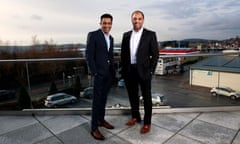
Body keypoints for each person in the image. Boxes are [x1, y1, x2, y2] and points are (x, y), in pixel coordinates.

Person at [121, 10, 159, 134]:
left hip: (144, 72)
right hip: (129, 71)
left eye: (139, 18)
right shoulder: (126, 35)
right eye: (135, 18)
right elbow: (123, 55)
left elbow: (155, 55)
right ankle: (135, 117)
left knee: (147, 97)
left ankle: (147, 122)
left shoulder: (150, 34)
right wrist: (124, 70)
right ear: (132, 20)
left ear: (143, 20)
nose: (137, 21)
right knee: (133, 96)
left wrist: (150, 71)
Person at [86, 13, 115, 140]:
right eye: (104, 23)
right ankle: (94, 128)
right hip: (99, 74)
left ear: (111, 24)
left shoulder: (111, 38)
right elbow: (89, 55)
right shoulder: (93, 35)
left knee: (103, 99)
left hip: (108, 74)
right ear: (100, 23)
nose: (106, 25)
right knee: (96, 101)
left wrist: (113, 71)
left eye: (109, 23)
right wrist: (94, 72)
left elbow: (110, 56)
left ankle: (101, 120)